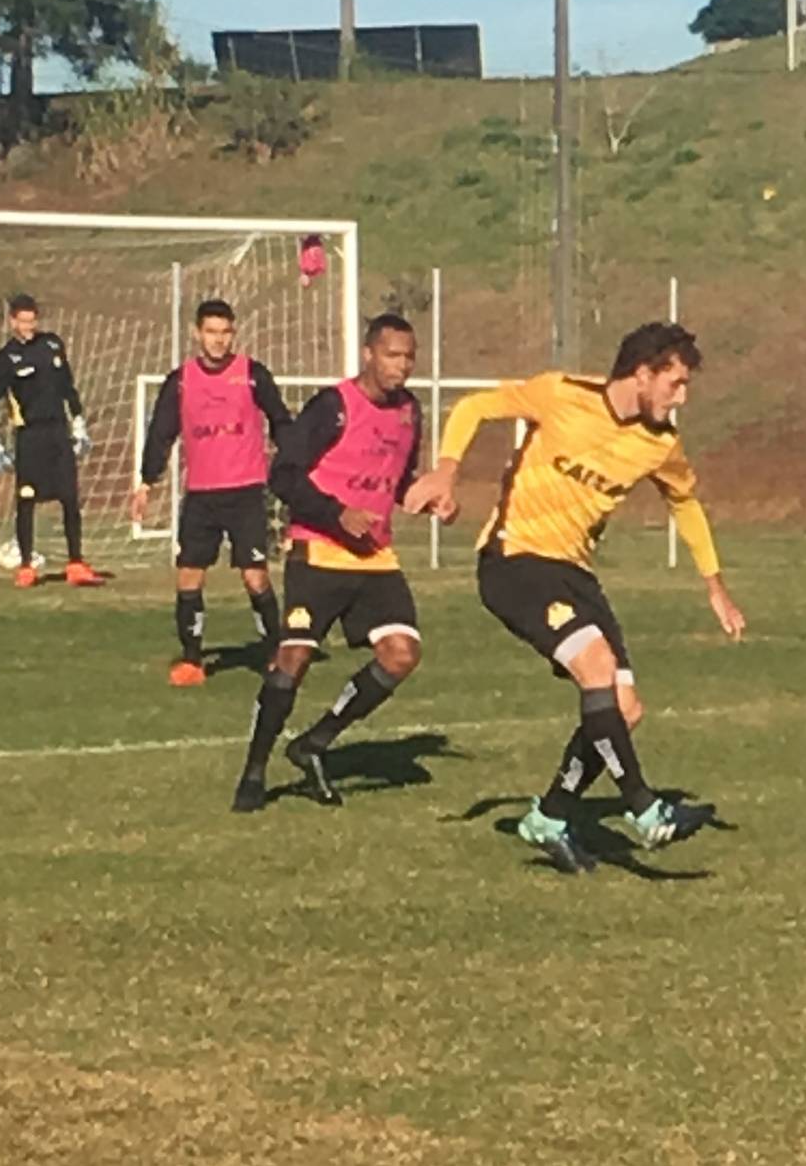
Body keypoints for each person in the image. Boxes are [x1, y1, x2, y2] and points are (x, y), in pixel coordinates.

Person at [410, 321, 745, 874]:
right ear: (643, 373)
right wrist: (447, 472)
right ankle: (644, 808)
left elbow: (685, 504)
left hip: (575, 575)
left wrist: (714, 585)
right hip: (514, 563)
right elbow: (473, 408)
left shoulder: (660, 444)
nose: (681, 397)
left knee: (625, 710)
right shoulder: (562, 393)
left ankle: (550, 815)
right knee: (597, 667)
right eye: (675, 383)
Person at [234, 314, 424, 812]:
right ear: (368, 354)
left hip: (375, 558)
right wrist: (338, 514)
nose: (401, 366)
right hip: (318, 551)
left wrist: (430, 498)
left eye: (409, 356)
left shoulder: (410, 412)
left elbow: (400, 481)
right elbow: (284, 475)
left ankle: (313, 743)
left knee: (401, 654)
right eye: (392, 355)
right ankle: (254, 771)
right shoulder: (333, 406)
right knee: (292, 660)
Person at [134, 299, 293, 685]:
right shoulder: (182, 380)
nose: (218, 340)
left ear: (233, 333)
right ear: (197, 334)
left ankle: (276, 653)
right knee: (189, 576)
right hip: (202, 496)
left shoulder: (253, 374)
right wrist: (146, 482)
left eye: (225, 332)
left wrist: (292, 468)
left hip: (246, 492)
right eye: (211, 332)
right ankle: (192, 660)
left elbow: (281, 420)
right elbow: (161, 433)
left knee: (255, 576)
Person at [0, 294, 95, 588]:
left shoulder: (52, 345)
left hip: (59, 432)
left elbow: (67, 386)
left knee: (70, 497)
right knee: (27, 500)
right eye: (23, 321)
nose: (29, 327)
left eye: (33, 321)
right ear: (12, 322)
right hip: (29, 436)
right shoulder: (6, 358)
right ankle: (27, 566)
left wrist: (79, 421)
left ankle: (76, 563)